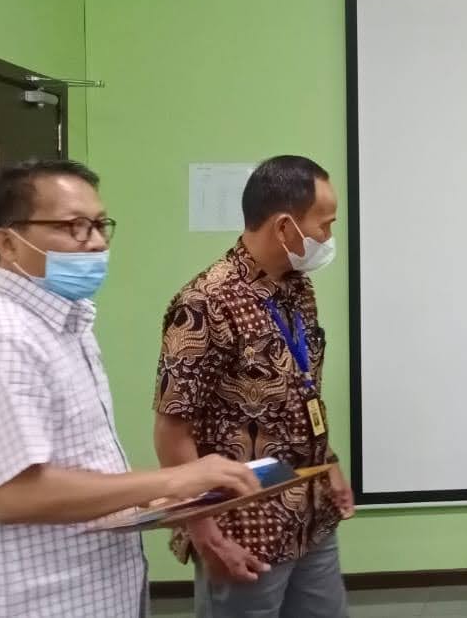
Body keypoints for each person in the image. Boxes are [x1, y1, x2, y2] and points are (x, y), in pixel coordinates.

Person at [0, 158, 259, 617]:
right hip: (32, 604)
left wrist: (160, 500)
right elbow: (16, 495)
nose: (98, 242)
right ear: (8, 243)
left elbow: (76, 465)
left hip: (92, 593)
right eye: (74, 227)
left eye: (101, 225)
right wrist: (174, 478)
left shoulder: (68, 325)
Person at [154, 155, 353, 617]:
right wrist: (206, 535)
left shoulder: (298, 289)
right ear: (285, 227)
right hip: (242, 528)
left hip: (311, 516)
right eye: (324, 224)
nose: (328, 238)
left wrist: (328, 463)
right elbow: (172, 432)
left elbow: (301, 390)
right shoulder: (205, 303)